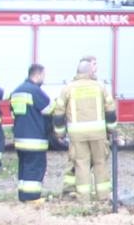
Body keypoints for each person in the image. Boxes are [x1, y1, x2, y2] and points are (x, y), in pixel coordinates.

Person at [52, 58, 117, 200]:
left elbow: (58, 112)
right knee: (100, 163)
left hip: (77, 136)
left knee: (81, 164)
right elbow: (111, 110)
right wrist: (111, 130)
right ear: (89, 72)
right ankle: (104, 197)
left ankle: (84, 198)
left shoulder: (68, 89)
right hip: (98, 134)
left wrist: (60, 132)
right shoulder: (100, 87)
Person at [9, 64, 52, 202]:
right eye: (43, 75)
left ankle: (23, 195)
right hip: (35, 138)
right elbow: (49, 110)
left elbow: (13, 114)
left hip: (20, 137)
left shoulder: (16, 91)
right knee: (35, 167)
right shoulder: (35, 91)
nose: (44, 79)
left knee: (24, 167)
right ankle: (32, 198)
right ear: (37, 75)